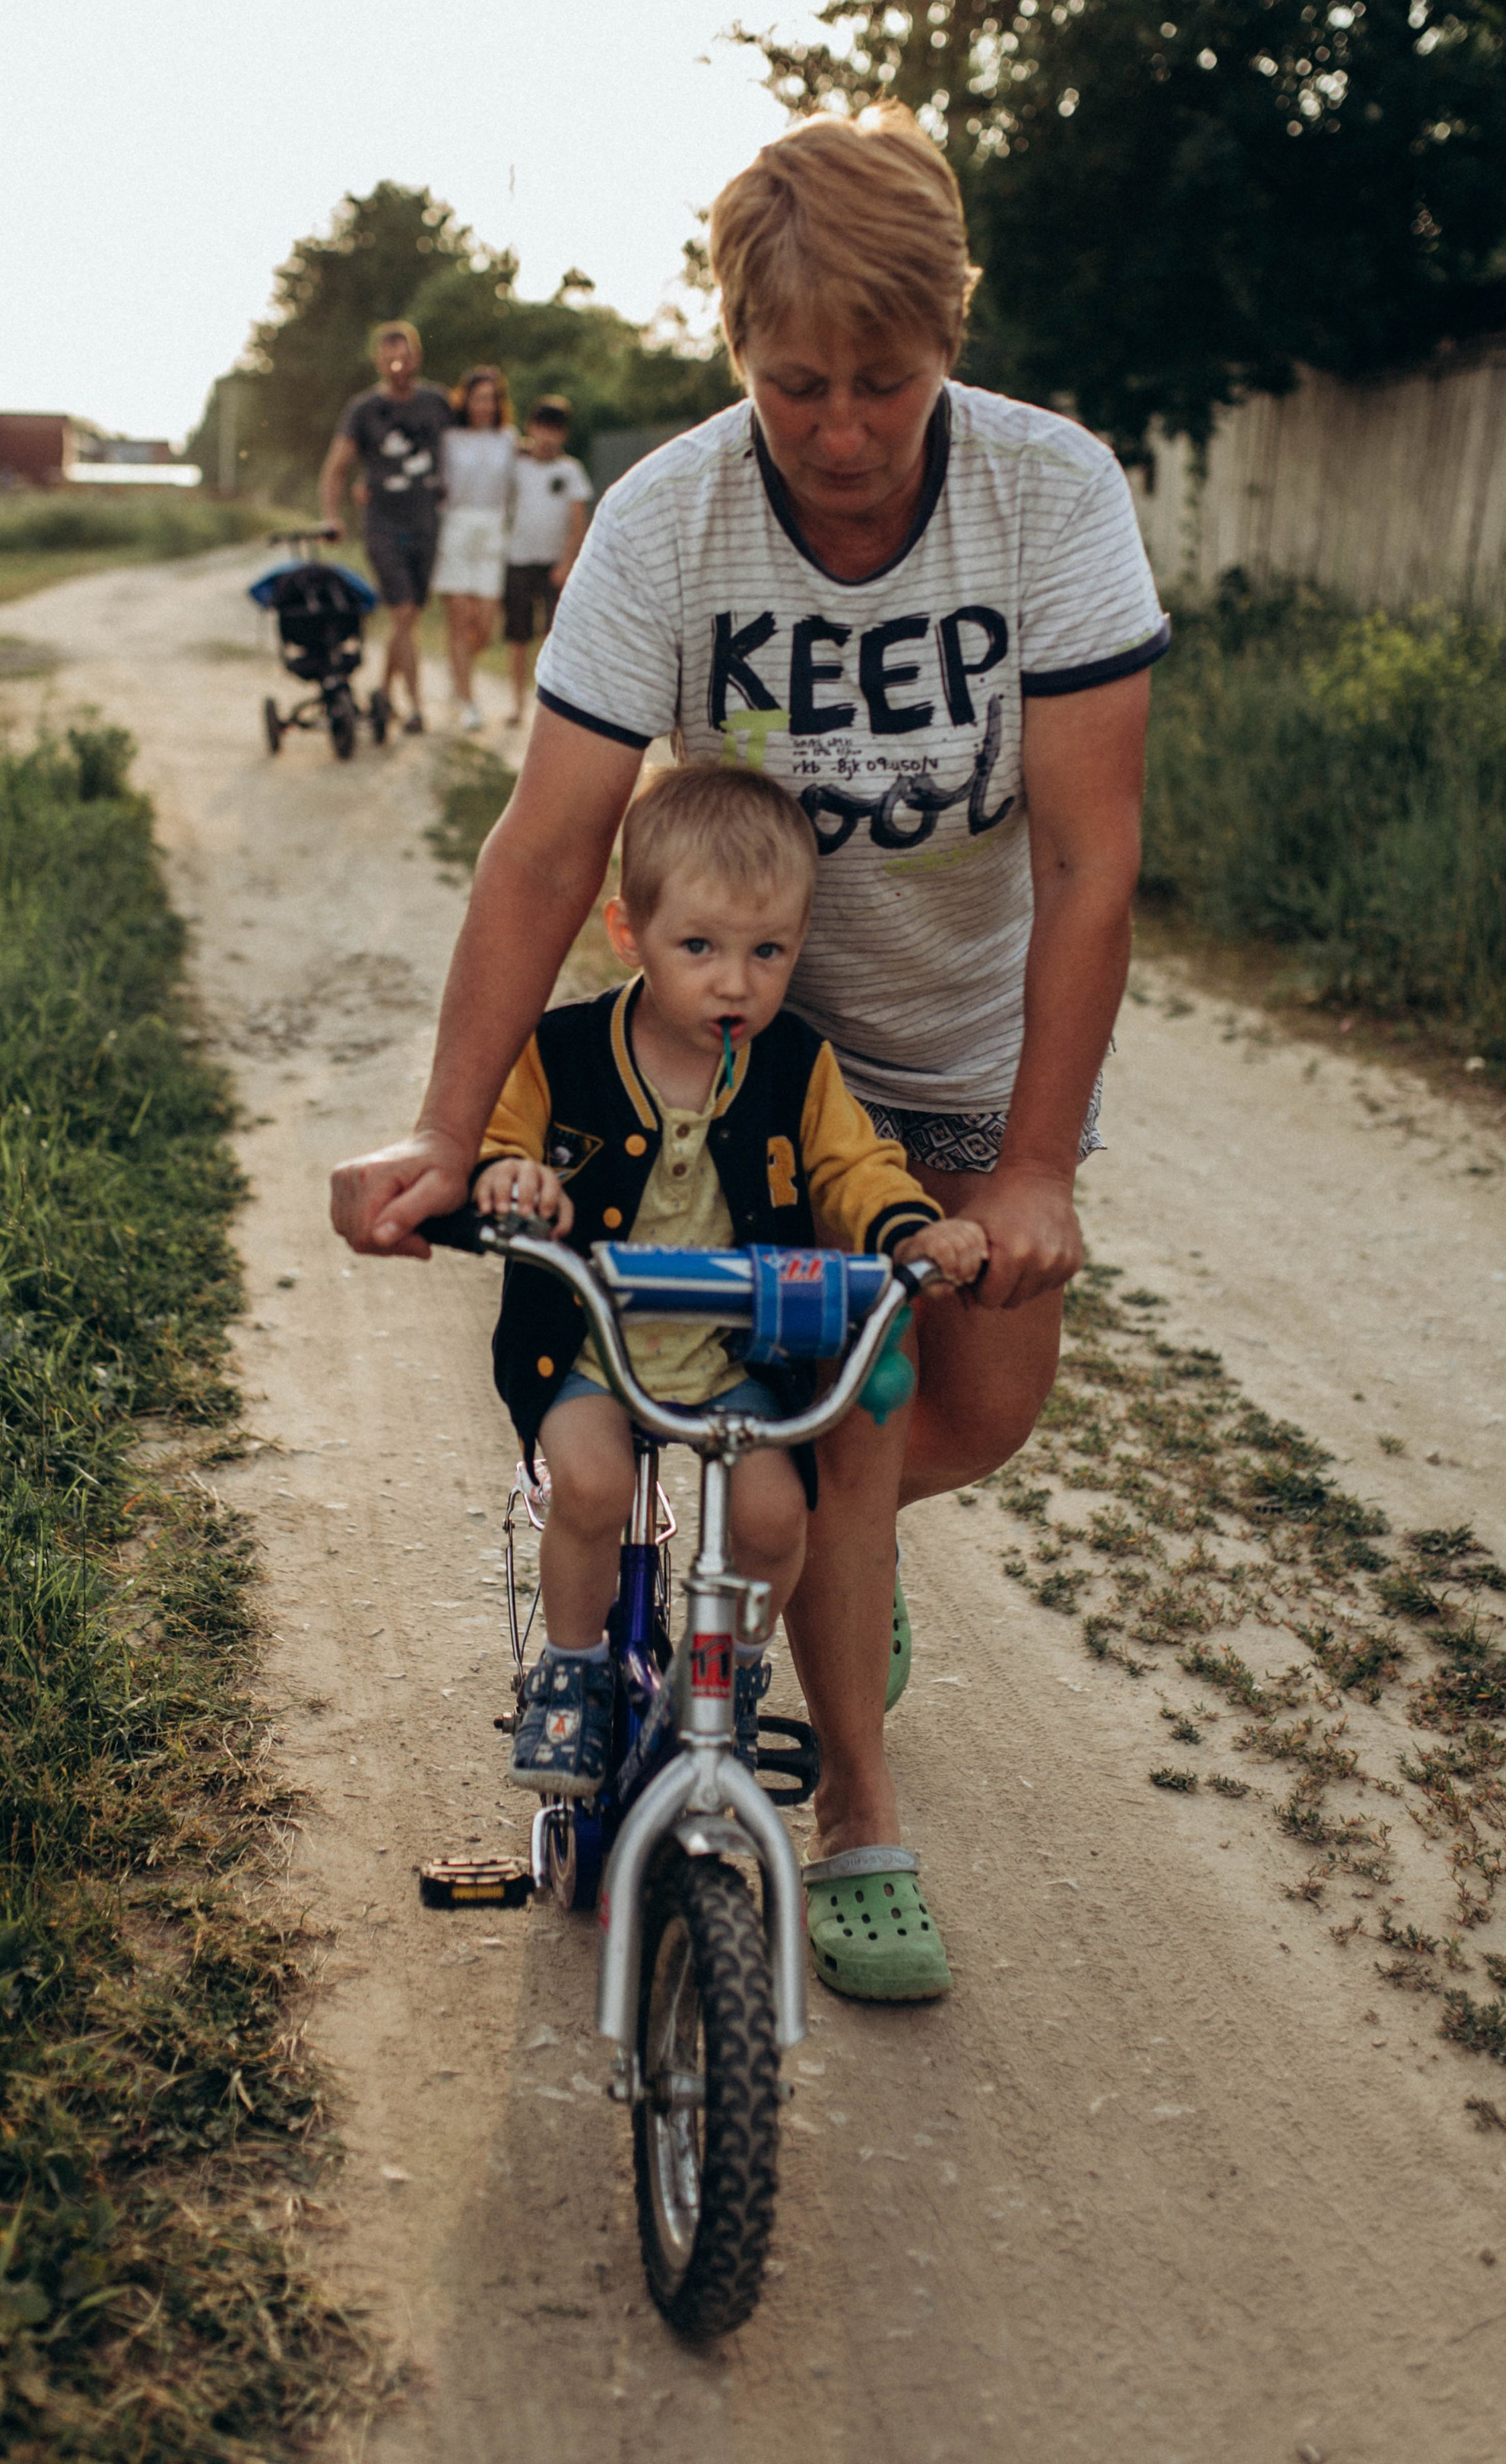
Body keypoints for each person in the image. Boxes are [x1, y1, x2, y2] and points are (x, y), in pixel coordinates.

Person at [331, 108, 1169, 2003]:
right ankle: (858, 1814)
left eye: (885, 383)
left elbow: (1085, 859)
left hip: (956, 1043)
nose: (843, 432)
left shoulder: (1048, 495)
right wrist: (447, 1129)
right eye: (797, 386)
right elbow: (547, 843)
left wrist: (1036, 1164)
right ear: (734, 351)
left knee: (971, 1410)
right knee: (837, 1436)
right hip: (739, 1044)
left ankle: (828, 1581)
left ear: (948, 338)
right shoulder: (666, 517)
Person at [471, 765, 986, 1999]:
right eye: (698, 947)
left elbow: (853, 1169)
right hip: (595, 1343)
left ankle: (733, 1682)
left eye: (768, 951)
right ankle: (574, 1672)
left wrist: (908, 1230)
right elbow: (503, 1138)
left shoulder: (796, 1066)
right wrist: (511, 1180)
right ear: (629, 931)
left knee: (769, 1517)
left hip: (736, 1353)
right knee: (592, 1482)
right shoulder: (565, 1052)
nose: (735, 982)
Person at [319, 321, 452, 733]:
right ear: (378, 361)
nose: (398, 365)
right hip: (383, 523)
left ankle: (383, 693)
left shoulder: (437, 402)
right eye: (390, 357)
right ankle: (415, 707)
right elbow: (335, 468)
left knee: (407, 619)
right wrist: (332, 516)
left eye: (405, 356)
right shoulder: (363, 410)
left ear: (417, 358)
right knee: (404, 610)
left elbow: (479, 433)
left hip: (427, 523)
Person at [433, 365, 516, 730]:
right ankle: (467, 701)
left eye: (491, 399)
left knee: (483, 625)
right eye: (478, 399)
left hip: (492, 531)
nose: (484, 406)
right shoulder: (450, 438)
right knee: (460, 619)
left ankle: (457, 671)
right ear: (466, 401)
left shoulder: (508, 439)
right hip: (456, 527)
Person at [501, 397, 590, 725]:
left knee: (552, 637)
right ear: (532, 428)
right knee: (518, 636)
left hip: (555, 564)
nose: (548, 436)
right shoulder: (516, 465)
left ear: (564, 433)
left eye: (555, 430)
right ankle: (516, 703)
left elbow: (577, 522)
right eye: (543, 428)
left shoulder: (570, 471)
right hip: (519, 559)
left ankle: (548, 707)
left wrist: (567, 564)